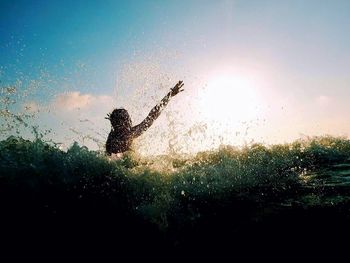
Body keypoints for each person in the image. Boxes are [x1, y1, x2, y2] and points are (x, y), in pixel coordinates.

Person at [105, 80, 184, 156]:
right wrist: (170, 95)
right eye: (127, 120)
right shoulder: (124, 136)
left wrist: (170, 95)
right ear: (121, 123)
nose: (130, 122)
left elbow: (152, 115)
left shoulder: (124, 133)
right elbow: (152, 116)